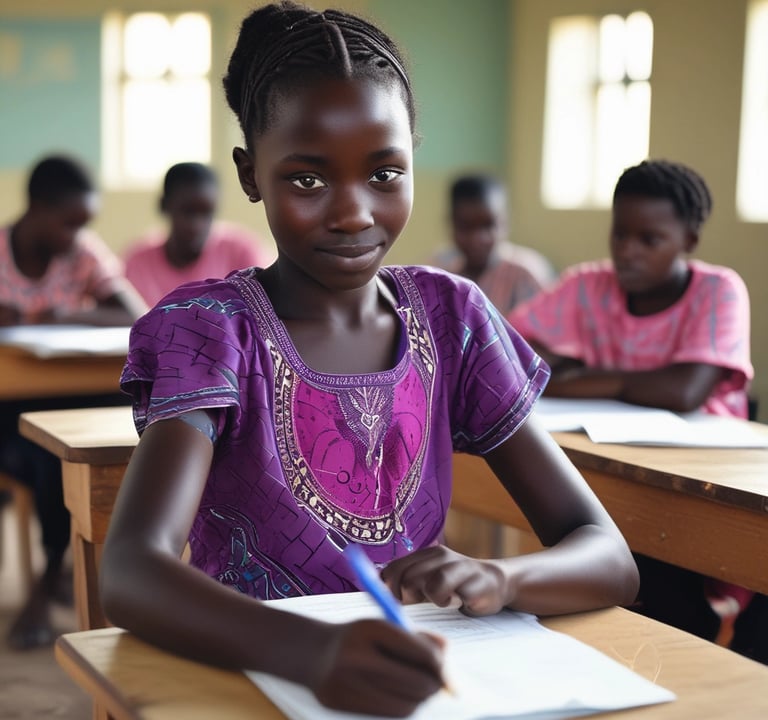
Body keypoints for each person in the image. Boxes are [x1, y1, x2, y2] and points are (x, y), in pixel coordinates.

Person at [99, 3, 639, 717]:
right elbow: (132, 570)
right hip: (245, 678)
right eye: (308, 180)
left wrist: (500, 577)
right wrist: (311, 653)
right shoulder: (211, 331)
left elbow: (607, 556)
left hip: (414, 680)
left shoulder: (452, 320)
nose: (353, 212)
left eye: (385, 174)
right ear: (251, 173)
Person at [507, 159, 764, 660]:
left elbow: (683, 392)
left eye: (650, 240)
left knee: (690, 600)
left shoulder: (718, 290)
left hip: (715, 478)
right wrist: (618, 380)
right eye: (620, 234)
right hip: (627, 473)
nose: (628, 252)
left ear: (689, 239)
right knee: (644, 586)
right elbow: (505, 352)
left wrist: (571, 376)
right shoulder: (588, 285)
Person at [0, 154, 146, 649]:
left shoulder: (81, 253)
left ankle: (55, 573)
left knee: (60, 444)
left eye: (84, 223)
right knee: (47, 449)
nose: (76, 234)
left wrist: (63, 314)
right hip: (7, 410)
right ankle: (52, 575)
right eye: (68, 222)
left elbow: (134, 314)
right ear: (37, 208)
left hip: (67, 399)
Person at [124, 162, 274, 307]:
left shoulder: (241, 252)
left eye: (207, 213)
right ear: (164, 205)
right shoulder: (138, 262)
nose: (197, 225)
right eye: (188, 212)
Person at [431, 174, 555, 315]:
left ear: (505, 222)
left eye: (489, 225)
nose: (478, 239)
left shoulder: (526, 274)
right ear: (451, 223)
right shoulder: (438, 270)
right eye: (465, 226)